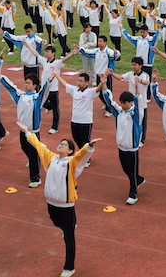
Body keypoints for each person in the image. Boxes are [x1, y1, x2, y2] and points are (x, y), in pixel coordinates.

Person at [16, 121, 101, 277]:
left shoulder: (72, 162)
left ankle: (69, 267)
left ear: (69, 150)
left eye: (64, 145)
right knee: (56, 223)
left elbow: (82, 155)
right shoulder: (51, 158)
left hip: (66, 205)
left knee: (69, 236)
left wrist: (89, 146)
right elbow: (39, 145)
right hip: (51, 203)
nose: (60, 145)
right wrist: (27, 132)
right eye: (59, 143)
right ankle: (69, 226)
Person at [0, 68, 51, 187]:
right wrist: (0, 75)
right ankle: (33, 159)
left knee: (33, 155)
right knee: (23, 147)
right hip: (22, 131)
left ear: (35, 85)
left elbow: (44, 91)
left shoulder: (37, 98)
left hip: (33, 132)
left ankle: (35, 178)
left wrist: (49, 81)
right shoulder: (20, 96)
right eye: (25, 82)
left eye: (29, 83)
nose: (26, 85)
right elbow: (10, 87)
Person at [101, 75, 145, 205]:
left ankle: (133, 194)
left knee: (131, 172)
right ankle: (138, 179)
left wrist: (137, 92)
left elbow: (140, 106)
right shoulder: (119, 112)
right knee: (126, 170)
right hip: (121, 147)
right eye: (122, 103)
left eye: (125, 103)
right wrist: (104, 85)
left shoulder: (136, 115)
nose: (123, 105)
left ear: (131, 103)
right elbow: (110, 101)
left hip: (132, 149)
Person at [22, 41, 77, 134]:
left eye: (48, 52)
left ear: (53, 53)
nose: (46, 53)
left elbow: (64, 60)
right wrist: (28, 46)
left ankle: (54, 127)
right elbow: (36, 54)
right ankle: (49, 107)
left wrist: (72, 53)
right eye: (46, 52)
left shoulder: (57, 63)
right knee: (40, 103)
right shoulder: (44, 61)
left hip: (53, 89)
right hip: (44, 89)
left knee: (56, 109)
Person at [54, 72, 102, 158]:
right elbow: (65, 84)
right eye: (78, 80)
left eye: (81, 81)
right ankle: (82, 154)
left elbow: (98, 88)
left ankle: (87, 158)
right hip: (74, 120)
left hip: (85, 121)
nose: (78, 82)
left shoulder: (90, 92)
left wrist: (103, 81)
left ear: (87, 82)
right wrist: (56, 75)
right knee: (76, 139)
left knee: (85, 141)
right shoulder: (74, 90)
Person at [107, 57, 150, 146]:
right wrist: (112, 73)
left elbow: (146, 82)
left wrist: (140, 81)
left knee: (142, 122)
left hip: (141, 103)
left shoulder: (144, 75)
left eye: (135, 65)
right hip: (130, 104)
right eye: (132, 64)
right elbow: (120, 77)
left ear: (140, 66)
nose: (133, 66)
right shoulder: (130, 74)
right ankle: (132, 137)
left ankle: (142, 140)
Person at [78, 36, 119, 116]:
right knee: (99, 93)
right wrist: (79, 48)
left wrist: (115, 53)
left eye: (100, 41)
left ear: (105, 42)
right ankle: (107, 104)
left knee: (107, 92)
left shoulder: (108, 51)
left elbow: (114, 57)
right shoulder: (96, 51)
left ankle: (110, 110)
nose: (99, 43)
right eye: (98, 41)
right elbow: (87, 52)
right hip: (98, 75)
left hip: (106, 76)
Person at [122, 23, 161, 101]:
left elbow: (158, 36)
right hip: (138, 65)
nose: (142, 34)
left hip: (148, 64)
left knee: (147, 81)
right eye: (141, 32)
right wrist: (122, 28)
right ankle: (138, 94)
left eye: (143, 32)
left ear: (147, 32)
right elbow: (128, 38)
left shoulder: (151, 40)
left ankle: (147, 97)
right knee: (138, 80)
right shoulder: (138, 39)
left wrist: (161, 28)